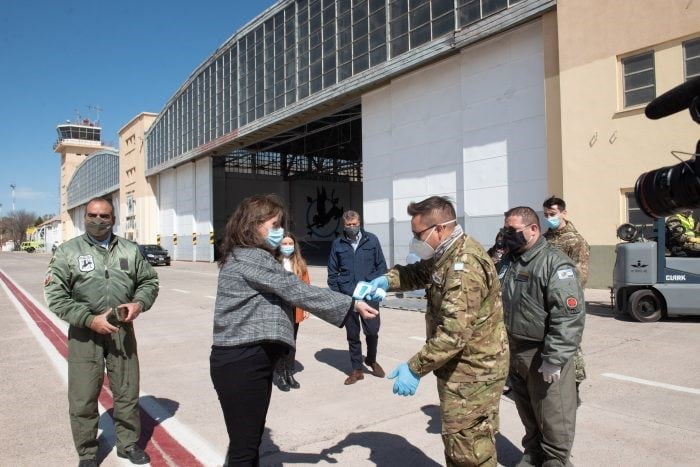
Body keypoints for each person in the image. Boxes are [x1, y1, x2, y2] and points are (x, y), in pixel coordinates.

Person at [210, 194, 378, 466]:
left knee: (248, 445)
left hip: (246, 360)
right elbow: (295, 289)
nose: (279, 232)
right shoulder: (251, 257)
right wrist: (350, 304)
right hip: (242, 360)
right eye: (274, 225)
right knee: (244, 449)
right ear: (253, 224)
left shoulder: (248, 255)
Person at [362, 196, 509, 467]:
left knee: (470, 451)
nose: (416, 239)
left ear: (440, 228)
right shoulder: (448, 252)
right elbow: (419, 273)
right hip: (461, 369)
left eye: (419, 234)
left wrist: (415, 367)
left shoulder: (464, 266)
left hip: (474, 371)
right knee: (458, 442)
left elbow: (454, 333)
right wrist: (384, 280)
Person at [44, 197, 159, 467]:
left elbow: (149, 282)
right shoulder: (67, 252)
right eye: (92, 215)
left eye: (104, 216)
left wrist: (139, 303)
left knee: (127, 391)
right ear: (84, 218)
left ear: (114, 219)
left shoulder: (130, 250)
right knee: (83, 396)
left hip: (122, 331)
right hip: (85, 333)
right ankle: (86, 452)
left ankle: (127, 444)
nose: (98, 221)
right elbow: (55, 295)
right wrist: (88, 319)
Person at [498, 206, 585, 467]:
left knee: (554, 424)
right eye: (505, 230)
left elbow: (568, 316)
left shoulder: (555, 263)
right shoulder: (509, 261)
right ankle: (533, 456)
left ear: (533, 230)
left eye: (512, 230)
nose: (507, 235)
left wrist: (555, 358)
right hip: (516, 354)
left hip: (543, 356)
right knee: (529, 417)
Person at [327, 210, 388, 385]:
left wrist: (372, 285)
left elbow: (381, 266)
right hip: (349, 297)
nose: (352, 227)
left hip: (369, 295)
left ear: (359, 223)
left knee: (372, 330)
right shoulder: (337, 244)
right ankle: (357, 369)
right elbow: (332, 273)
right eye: (348, 225)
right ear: (343, 225)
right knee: (353, 334)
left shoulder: (372, 240)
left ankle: (371, 359)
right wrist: (339, 294)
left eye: (354, 224)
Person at [542, 195, 590, 405]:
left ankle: (575, 388)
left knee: (570, 344)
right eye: (546, 215)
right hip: (546, 300)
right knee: (549, 342)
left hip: (566, 300)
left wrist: (567, 298)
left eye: (552, 214)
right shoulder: (545, 238)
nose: (549, 218)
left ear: (563, 213)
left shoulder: (575, 240)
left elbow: (581, 275)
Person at [272, 232, 310, 391]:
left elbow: (306, 286)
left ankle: (289, 371)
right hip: (278, 308)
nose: (287, 246)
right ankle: (279, 373)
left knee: (292, 342)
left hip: (295, 307)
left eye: (290, 243)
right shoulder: (273, 262)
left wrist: (307, 306)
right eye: (284, 243)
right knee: (280, 341)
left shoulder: (300, 264)